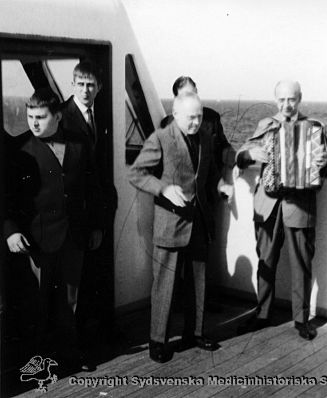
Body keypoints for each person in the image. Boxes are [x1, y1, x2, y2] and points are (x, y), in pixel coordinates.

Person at [4, 88, 104, 370]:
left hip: (73, 236)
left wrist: (96, 225)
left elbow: (93, 189)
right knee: (37, 304)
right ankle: (35, 365)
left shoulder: (79, 143)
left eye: (41, 117)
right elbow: (5, 197)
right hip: (36, 240)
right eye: (30, 116)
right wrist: (10, 231)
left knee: (70, 301)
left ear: (58, 117)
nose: (33, 122)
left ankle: (69, 356)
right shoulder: (20, 149)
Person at [128, 92, 222, 363]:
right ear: (176, 114)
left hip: (199, 223)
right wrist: (164, 188)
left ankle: (194, 333)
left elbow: (211, 174)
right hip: (170, 224)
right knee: (165, 286)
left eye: (199, 117)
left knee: (198, 283)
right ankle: (158, 341)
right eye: (190, 118)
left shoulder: (206, 137)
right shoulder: (159, 138)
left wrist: (221, 185)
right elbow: (136, 174)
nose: (196, 123)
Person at [235, 80, 327, 340]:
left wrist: (324, 161)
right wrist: (250, 154)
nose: (286, 105)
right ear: (275, 99)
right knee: (265, 260)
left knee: (301, 263)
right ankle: (263, 313)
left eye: (291, 99)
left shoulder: (314, 128)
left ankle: (301, 320)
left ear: (300, 98)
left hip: (299, 205)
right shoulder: (265, 125)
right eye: (281, 100)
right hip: (268, 205)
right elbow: (241, 154)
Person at [60, 60, 117, 349]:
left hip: (96, 213)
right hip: (72, 217)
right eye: (80, 84)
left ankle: (90, 339)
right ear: (72, 85)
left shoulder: (100, 117)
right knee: (73, 285)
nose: (85, 90)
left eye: (91, 85)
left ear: (100, 88)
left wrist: (102, 218)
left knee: (93, 279)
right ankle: (73, 347)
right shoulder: (62, 118)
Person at [160, 76, 235, 201]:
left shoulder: (211, 119)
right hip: (177, 206)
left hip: (206, 200)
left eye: (194, 94)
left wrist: (237, 161)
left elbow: (221, 150)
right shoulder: (167, 126)